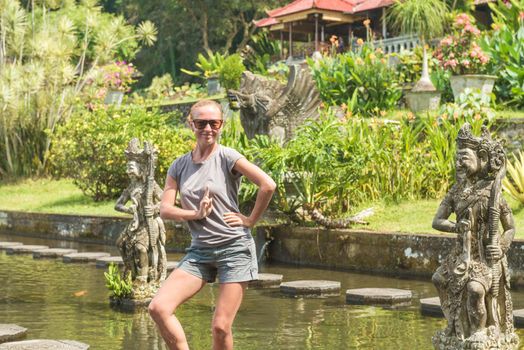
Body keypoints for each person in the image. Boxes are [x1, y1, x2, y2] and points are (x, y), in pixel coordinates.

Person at [148, 99, 276, 350]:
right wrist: (195, 213)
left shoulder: (228, 157)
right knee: (159, 308)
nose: (208, 128)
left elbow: (267, 185)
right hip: (200, 252)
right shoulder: (179, 165)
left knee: (220, 327)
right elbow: (165, 208)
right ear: (191, 124)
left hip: (234, 248)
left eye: (214, 123)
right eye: (201, 123)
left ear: (221, 125)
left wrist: (249, 220)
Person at [431, 123, 518, 348]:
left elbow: (510, 227)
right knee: (439, 279)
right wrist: (455, 227)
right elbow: (437, 221)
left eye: (464, 157)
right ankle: (454, 325)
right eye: (457, 157)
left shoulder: (492, 191)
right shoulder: (456, 191)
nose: (459, 162)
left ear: (481, 159)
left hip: (483, 257)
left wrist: (500, 247)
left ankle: (479, 332)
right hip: (461, 255)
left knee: (475, 289)